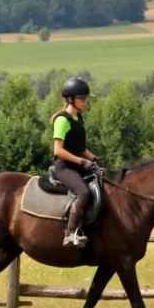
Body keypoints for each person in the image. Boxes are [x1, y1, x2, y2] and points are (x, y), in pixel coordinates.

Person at [51, 77, 104, 248]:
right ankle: (70, 232)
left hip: (78, 165)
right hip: (64, 167)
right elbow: (58, 150)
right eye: (81, 98)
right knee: (83, 192)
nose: (85, 101)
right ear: (70, 99)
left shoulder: (78, 119)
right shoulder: (62, 120)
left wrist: (93, 158)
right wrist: (82, 162)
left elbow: (80, 147)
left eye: (85, 98)